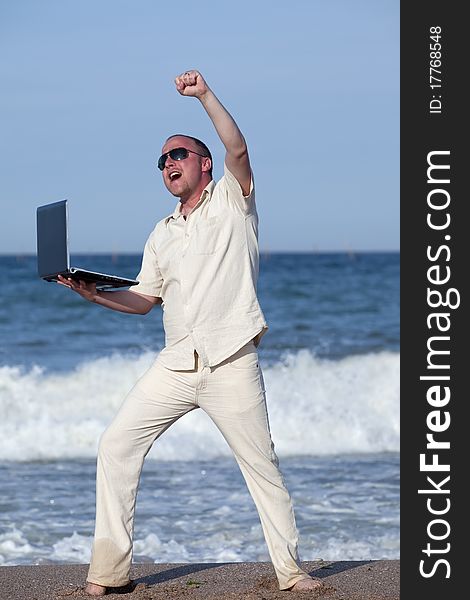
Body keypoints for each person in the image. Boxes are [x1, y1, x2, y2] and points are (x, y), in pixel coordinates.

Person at [58, 70, 322, 596]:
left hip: (231, 360)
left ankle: (291, 574)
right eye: (161, 161)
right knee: (115, 445)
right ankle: (109, 572)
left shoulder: (233, 201)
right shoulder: (161, 232)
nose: (168, 165)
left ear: (203, 164)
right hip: (177, 364)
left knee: (261, 468)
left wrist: (203, 95)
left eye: (177, 155)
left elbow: (238, 146)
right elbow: (143, 301)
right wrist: (94, 295)